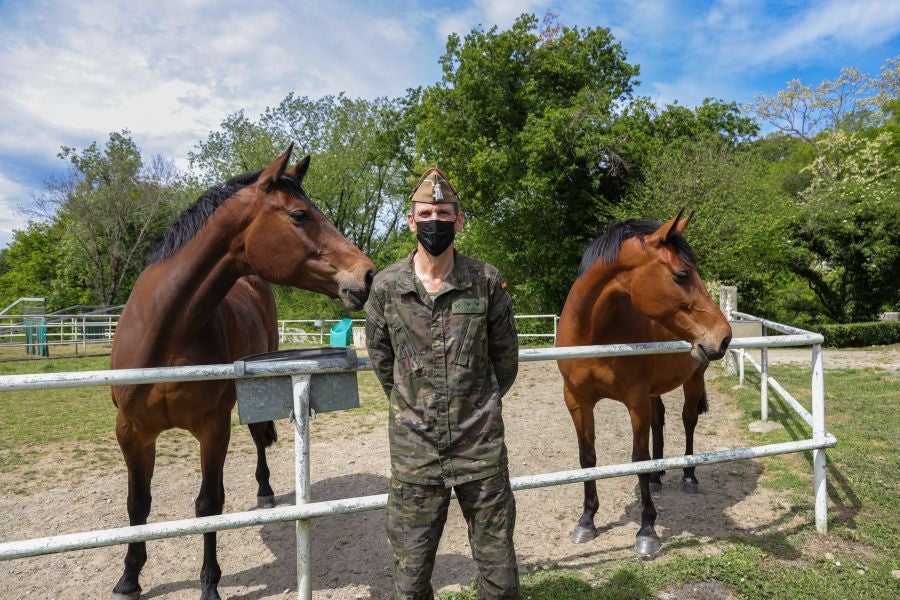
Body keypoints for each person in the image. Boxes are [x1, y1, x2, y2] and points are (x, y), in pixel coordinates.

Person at [365, 167, 520, 599]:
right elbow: (382, 363)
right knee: (411, 577)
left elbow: (505, 361)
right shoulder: (387, 288)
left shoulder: (486, 281)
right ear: (412, 221)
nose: (436, 220)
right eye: (427, 212)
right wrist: (414, 405)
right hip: (415, 454)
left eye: (444, 212)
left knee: (499, 572)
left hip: (480, 449)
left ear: (460, 220)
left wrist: (473, 403)